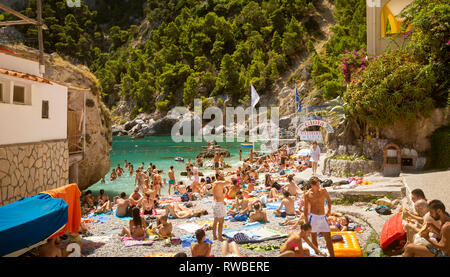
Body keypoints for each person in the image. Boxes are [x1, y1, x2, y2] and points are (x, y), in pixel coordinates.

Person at [304, 177, 334, 257]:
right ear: (311, 185)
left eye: (319, 184)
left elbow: (328, 200)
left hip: (322, 216)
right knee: (314, 238)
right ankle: (317, 255)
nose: (318, 186)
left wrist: (329, 210)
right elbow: (306, 208)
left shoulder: (323, 190)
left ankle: (332, 255)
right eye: (316, 185)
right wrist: (306, 221)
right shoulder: (307, 194)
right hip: (313, 217)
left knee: (328, 237)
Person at [212, 172, 230, 241]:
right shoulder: (218, 182)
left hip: (215, 203)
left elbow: (217, 193)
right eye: (221, 175)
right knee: (221, 221)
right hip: (218, 204)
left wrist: (223, 201)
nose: (222, 176)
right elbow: (228, 182)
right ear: (218, 177)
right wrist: (223, 177)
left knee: (216, 220)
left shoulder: (214, 183)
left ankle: (214, 236)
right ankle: (219, 237)